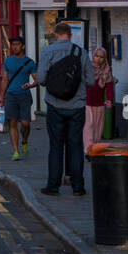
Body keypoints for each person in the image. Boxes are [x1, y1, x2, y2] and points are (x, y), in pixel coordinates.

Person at [34, 22, 95, 196]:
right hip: (77, 106)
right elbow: (90, 81)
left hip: (54, 105)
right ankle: (78, 186)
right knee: (75, 145)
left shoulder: (47, 51)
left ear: (55, 34)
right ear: (70, 34)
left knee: (56, 146)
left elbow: (41, 78)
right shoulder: (81, 52)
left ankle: (53, 186)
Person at [0, 34, 36, 160]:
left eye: (17, 44)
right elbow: (4, 80)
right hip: (11, 95)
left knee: (25, 124)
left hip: (24, 96)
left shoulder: (30, 62)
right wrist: (1, 97)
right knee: (12, 123)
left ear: (23, 46)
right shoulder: (8, 61)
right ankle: (16, 151)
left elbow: (37, 80)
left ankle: (24, 140)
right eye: (13, 45)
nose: (15, 47)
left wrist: (30, 85)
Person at [84, 47, 114, 152]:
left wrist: (109, 99)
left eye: (101, 57)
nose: (98, 59)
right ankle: (88, 149)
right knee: (88, 126)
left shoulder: (106, 70)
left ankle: (95, 147)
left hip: (99, 104)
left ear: (104, 58)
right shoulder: (87, 68)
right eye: (96, 56)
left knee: (98, 128)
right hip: (86, 103)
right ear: (93, 56)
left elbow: (109, 86)